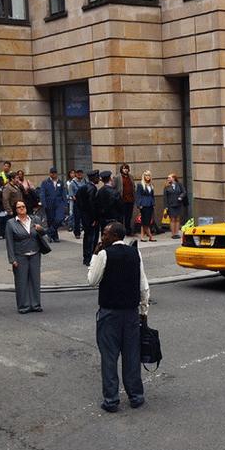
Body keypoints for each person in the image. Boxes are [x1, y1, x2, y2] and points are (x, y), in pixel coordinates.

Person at [87, 222, 149, 413]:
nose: (102, 237)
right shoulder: (135, 253)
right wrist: (144, 311)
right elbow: (143, 285)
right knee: (131, 355)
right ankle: (136, 396)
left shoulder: (104, 254)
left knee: (109, 356)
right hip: (130, 312)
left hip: (110, 312)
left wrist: (95, 255)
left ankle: (111, 399)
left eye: (104, 234)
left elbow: (92, 280)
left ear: (114, 236)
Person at [5, 200, 45, 314]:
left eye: (23, 206)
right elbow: (9, 243)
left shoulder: (35, 220)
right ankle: (24, 306)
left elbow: (44, 233)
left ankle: (36, 304)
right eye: (19, 207)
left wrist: (40, 229)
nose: (22, 208)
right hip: (20, 256)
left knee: (35, 280)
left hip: (35, 254)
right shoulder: (11, 223)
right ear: (15, 210)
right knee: (21, 281)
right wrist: (12, 259)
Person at [75, 170, 101, 266]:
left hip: (85, 217)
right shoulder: (92, 188)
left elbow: (77, 199)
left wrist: (82, 212)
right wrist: (94, 218)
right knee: (91, 238)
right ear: (94, 178)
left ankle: (86, 257)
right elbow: (92, 204)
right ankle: (90, 258)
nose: (99, 179)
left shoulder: (84, 187)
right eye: (97, 177)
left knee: (87, 237)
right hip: (90, 218)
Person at [39, 167, 66, 243]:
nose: (54, 174)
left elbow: (63, 192)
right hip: (49, 203)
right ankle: (54, 236)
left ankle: (48, 233)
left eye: (55, 173)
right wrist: (44, 203)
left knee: (59, 219)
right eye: (52, 173)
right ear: (50, 173)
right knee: (51, 220)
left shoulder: (60, 182)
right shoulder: (45, 182)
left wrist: (65, 203)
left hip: (59, 203)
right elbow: (42, 193)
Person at [0, 161, 13, 240]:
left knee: (6, 220)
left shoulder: (11, 174)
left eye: (7, 166)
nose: (6, 167)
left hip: (7, 198)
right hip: (0, 206)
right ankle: (0, 233)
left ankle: (5, 233)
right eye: (5, 166)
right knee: (0, 221)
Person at [163, 173, 187, 238]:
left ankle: (177, 233)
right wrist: (166, 207)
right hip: (171, 205)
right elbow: (165, 197)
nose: (168, 179)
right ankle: (173, 234)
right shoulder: (166, 186)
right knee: (172, 219)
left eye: (169, 178)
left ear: (173, 178)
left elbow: (184, 192)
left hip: (178, 204)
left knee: (178, 219)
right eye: (168, 178)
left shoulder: (179, 185)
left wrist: (181, 197)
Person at [135, 171, 156, 242]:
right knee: (145, 221)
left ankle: (142, 236)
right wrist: (139, 205)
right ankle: (150, 236)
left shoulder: (151, 185)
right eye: (146, 175)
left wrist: (153, 203)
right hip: (143, 204)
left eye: (149, 175)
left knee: (147, 221)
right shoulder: (140, 185)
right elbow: (138, 195)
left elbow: (152, 195)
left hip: (150, 204)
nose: (148, 177)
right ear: (144, 176)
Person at [68, 170, 86, 239]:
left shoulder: (85, 181)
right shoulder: (72, 183)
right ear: (76, 174)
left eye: (81, 173)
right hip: (77, 202)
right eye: (78, 174)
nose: (80, 175)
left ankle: (85, 230)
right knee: (77, 218)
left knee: (84, 218)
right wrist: (75, 198)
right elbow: (71, 194)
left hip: (84, 202)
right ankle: (77, 232)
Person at [119, 163, 136, 234]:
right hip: (122, 200)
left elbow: (133, 186)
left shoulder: (131, 177)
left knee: (129, 216)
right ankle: (121, 230)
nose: (125, 170)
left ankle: (128, 229)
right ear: (121, 169)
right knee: (122, 216)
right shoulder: (118, 177)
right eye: (124, 168)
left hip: (130, 200)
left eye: (126, 168)